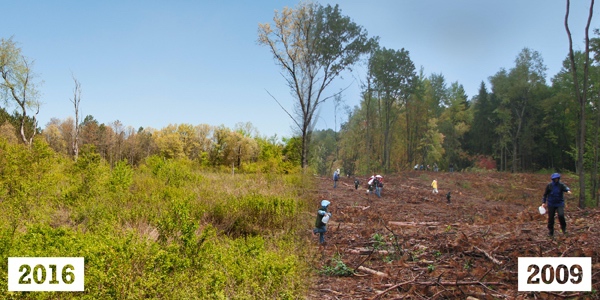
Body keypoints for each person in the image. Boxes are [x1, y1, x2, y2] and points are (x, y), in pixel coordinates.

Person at [542, 173, 571, 237]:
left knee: (561, 215)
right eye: (555, 178)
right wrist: (543, 202)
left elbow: (565, 187)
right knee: (551, 218)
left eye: (557, 178)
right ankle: (551, 231)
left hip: (559, 203)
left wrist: (568, 190)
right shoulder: (549, 185)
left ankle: (564, 229)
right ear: (553, 179)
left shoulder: (561, 185)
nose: (556, 179)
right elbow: (545, 194)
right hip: (551, 204)